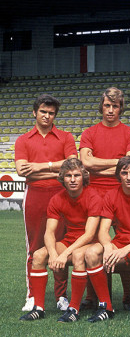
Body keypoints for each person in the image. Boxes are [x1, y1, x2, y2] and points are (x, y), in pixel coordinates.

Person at [15, 93, 77, 312]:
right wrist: (54, 169)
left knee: (60, 245)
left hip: (61, 195)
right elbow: (22, 170)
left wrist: (40, 167)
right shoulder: (23, 139)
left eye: (51, 113)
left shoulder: (66, 137)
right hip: (35, 195)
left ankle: (61, 296)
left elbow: (71, 166)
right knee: (34, 245)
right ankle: (32, 295)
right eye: (43, 112)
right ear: (34, 112)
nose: (47, 116)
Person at [19, 159, 102, 322]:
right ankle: (39, 308)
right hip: (69, 240)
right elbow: (49, 232)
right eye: (68, 175)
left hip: (91, 243)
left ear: (83, 177)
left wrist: (64, 255)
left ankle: (74, 309)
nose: (72, 179)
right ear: (62, 177)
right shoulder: (57, 199)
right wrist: (52, 253)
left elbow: (89, 234)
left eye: (77, 175)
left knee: (78, 256)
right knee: (38, 255)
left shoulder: (93, 196)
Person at [79, 87, 130, 310]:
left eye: (115, 106)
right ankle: (92, 295)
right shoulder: (89, 133)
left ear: (121, 108)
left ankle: (127, 296)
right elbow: (86, 163)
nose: (111, 110)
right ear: (101, 107)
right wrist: (117, 163)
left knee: (125, 242)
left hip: (123, 195)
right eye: (107, 105)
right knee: (94, 244)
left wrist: (99, 164)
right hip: (94, 195)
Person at [85, 156, 130, 322]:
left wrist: (126, 250)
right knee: (91, 253)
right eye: (124, 173)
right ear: (118, 175)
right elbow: (103, 230)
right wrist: (108, 246)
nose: (129, 176)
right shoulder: (111, 195)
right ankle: (106, 307)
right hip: (120, 242)